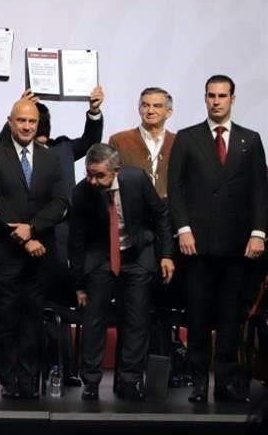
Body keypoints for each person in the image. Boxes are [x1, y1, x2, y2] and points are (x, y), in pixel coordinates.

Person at [168, 75, 268, 404]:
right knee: (197, 314)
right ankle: (198, 381)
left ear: (232, 99)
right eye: (211, 95)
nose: (216, 101)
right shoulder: (187, 137)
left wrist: (258, 233)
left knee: (230, 315)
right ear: (205, 98)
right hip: (196, 245)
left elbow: (259, 190)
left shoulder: (250, 140)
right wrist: (183, 229)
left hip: (237, 246)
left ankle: (226, 380)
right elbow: (177, 188)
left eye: (222, 96)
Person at [69, 143, 174, 401]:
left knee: (137, 320)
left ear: (116, 170)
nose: (93, 180)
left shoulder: (136, 179)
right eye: (89, 174)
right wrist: (79, 284)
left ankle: (130, 380)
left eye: (99, 175)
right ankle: (91, 381)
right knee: (94, 319)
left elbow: (161, 215)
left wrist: (166, 255)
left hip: (136, 255)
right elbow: (77, 241)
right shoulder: (82, 192)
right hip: (102, 257)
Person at [0, 98, 67, 399]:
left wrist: (35, 230)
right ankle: (8, 378)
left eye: (32, 122)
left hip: (42, 252)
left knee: (33, 319)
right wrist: (23, 236)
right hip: (7, 252)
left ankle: (29, 380)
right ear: (10, 121)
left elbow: (60, 201)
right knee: (6, 319)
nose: (27, 126)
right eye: (21, 121)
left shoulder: (52, 158)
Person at [108, 87, 176, 198]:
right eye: (145, 105)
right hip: (132, 211)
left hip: (170, 211)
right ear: (139, 109)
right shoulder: (119, 141)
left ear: (169, 112)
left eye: (157, 106)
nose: (150, 111)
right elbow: (111, 182)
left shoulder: (178, 142)